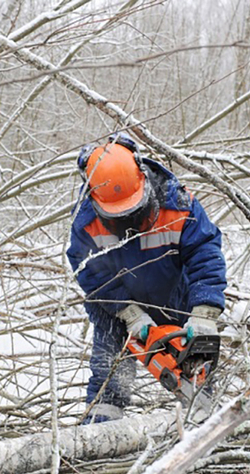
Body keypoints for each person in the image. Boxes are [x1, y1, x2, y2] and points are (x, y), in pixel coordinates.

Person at [66, 133, 227, 424]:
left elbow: (205, 251)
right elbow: (90, 271)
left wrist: (204, 312)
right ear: (94, 197)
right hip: (117, 303)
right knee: (110, 371)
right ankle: (100, 431)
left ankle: (206, 423)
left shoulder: (177, 205)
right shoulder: (87, 222)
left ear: (143, 180)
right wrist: (127, 312)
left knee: (195, 366)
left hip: (174, 295)